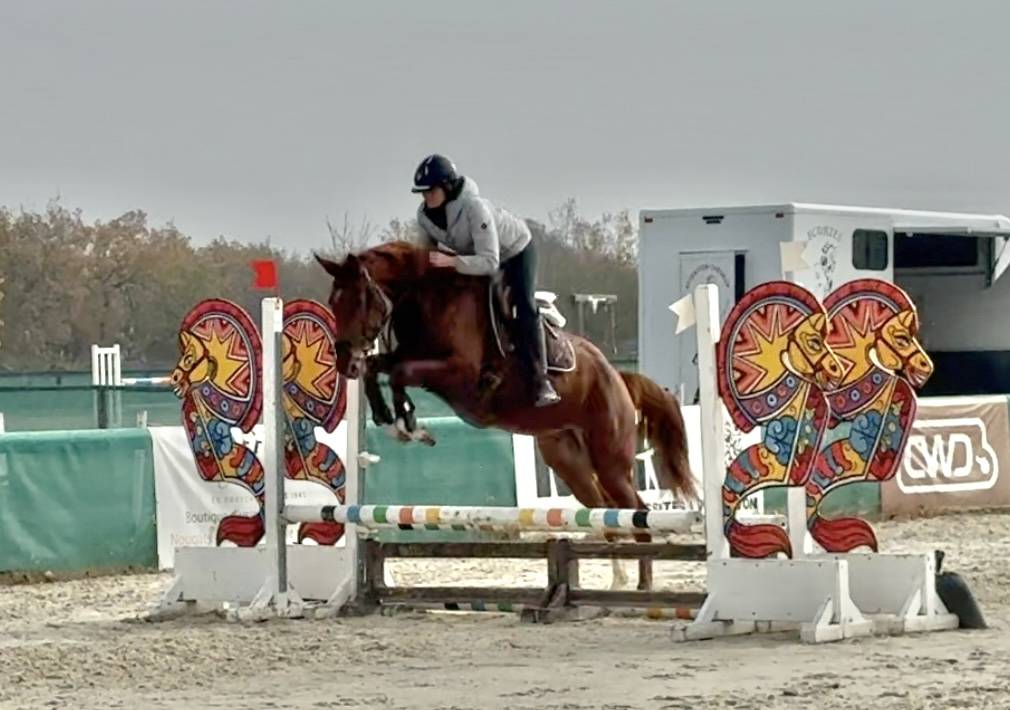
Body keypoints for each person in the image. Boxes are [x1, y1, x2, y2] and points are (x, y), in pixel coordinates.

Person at [411, 153, 561, 407]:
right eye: (423, 193)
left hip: (514, 252)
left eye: (431, 191)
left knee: (521, 303)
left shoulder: (475, 208)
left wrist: (452, 262)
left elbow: (490, 262)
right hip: (473, 257)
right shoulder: (425, 216)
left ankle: (540, 380)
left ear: (446, 187)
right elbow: (426, 257)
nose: (426, 197)